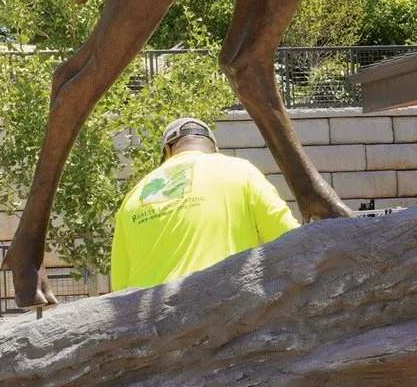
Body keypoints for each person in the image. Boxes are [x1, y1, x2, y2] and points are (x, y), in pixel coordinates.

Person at [109, 117, 298, 292]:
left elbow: (120, 287)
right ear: (213, 149)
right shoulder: (240, 172)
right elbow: (291, 239)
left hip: (151, 323)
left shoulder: (133, 197)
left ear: (168, 151)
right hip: (221, 314)